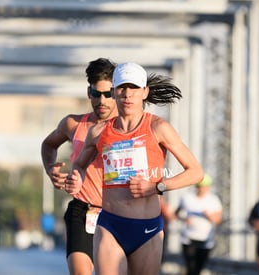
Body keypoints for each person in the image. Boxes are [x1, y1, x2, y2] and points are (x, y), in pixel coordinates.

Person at [65, 62, 204, 275]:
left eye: (134, 88)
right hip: (110, 225)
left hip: (146, 229)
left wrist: (157, 187)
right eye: (122, 88)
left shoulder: (158, 128)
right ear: (113, 92)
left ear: (144, 92)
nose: (128, 94)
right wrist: (76, 177)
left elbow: (196, 172)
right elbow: (80, 165)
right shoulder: (98, 132)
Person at [41, 57, 117, 275]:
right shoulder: (73, 124)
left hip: (116, 213)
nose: (101, 101)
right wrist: (50, 169)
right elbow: (48, 144)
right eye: (96, 94)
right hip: (82, 211)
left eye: (108, 94)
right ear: (88, 93)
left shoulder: (127, 127)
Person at [175, 174, 223, 275]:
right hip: (188, 238)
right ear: (196, 186)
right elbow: (176, 214)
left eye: (205, 186)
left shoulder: (214, 200)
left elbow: (218, 220)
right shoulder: (187, 198)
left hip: (205, 240)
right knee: (191, 268)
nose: (203, 189)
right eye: (200, 186)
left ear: (209, 187)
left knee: (198, 269)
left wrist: (209, 216)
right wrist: (184, 218)